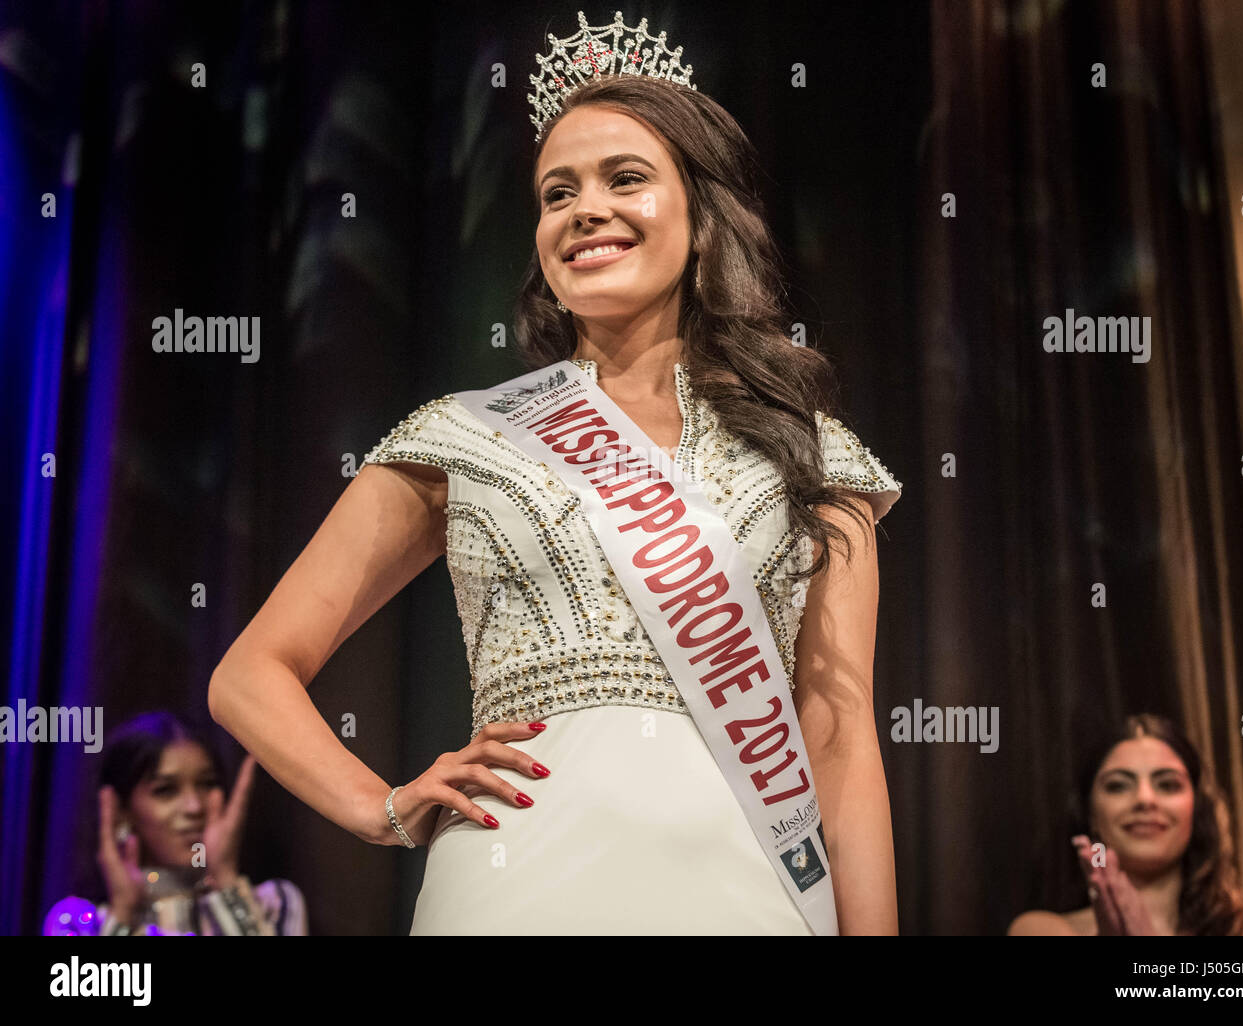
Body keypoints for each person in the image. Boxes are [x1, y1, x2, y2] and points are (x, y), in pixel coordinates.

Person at [208, 12, 901, 934]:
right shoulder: (465, 436)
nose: (585, 212)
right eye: (556, 192)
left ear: (702, 217)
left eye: (626, 179)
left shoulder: (811, 453)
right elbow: (248, 674)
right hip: (512, 880)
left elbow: (841, 736)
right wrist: (381, 805)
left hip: (749, 885)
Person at [1007, 713, 1243, 936]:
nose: (1145, 799)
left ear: (1196, 810)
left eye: (1168, 785)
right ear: (1091, 816)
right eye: (1118, 786)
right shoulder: (1043, 930)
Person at [43, 711, 307, 936]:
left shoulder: (275, 903)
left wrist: (224, 880)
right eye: (166, 790)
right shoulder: (79, 923)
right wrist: (123, 913)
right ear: (122, 810)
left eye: (207, 784)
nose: (194, 807)